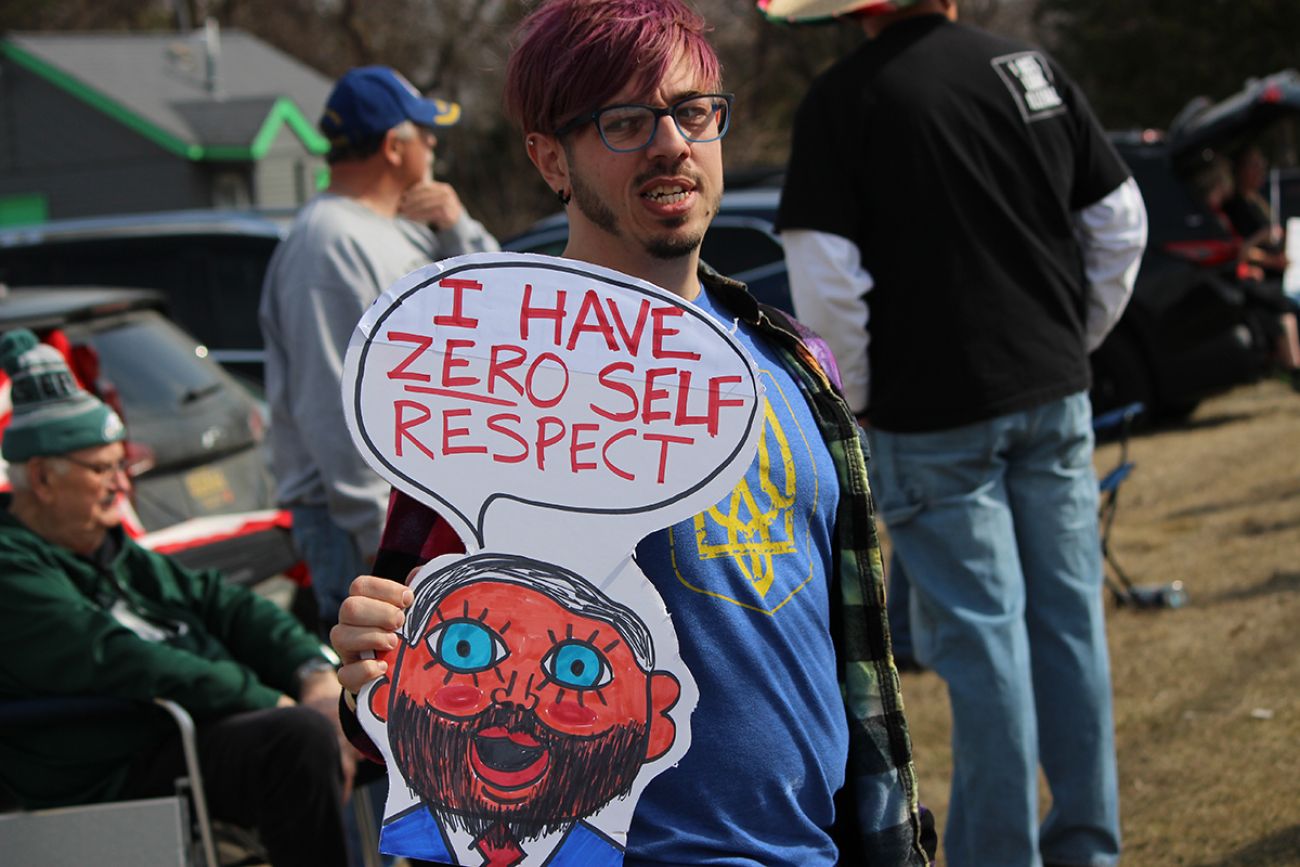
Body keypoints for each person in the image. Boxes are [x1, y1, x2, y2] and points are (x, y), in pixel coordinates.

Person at [331, 1, 934, 865]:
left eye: (694, 112)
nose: (671, 143)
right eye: (624, 121)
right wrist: (366, 674)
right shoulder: (501, 385)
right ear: (551, 160)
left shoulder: (798, 362)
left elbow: (851, 658)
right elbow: (393, 688)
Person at [768, 1, 1148, 865]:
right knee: (1066, 627)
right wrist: (1068, 337)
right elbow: (1120, 221)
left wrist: (858, 398)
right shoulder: (1031, 70)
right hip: (1052, 395)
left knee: (986, 651)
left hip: (933, 419)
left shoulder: (843, 100)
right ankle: (1088, 847)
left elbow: (826, 281)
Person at [0, 328, 352, 867]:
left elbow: (228, 604)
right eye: (103, 470)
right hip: (113, 759)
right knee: (298, 737)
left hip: (183, 728)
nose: (122, 485)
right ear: (43, 479)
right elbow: (122, 657)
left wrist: (313, 674)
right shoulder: (12, 568)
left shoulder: (108, 546)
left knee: (384, 708)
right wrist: (268, 699)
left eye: (124, 465)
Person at [260, 65, 499, 635]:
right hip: (368, 529)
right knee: (379, 702)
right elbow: (332, 405)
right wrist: (382, 543)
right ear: (395, 147)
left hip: (413, 511)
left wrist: (458, 228)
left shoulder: (394, 226)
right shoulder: (328, 244)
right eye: (423, 132)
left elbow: (498, 312)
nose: (433, 143)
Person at [369, 554, 681, 866]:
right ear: (389, 688)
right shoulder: (408, 836)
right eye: (465, 649)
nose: (517, 696)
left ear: (655, 722)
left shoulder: (606, 851)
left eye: (578, 668)